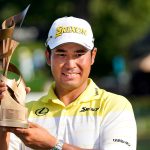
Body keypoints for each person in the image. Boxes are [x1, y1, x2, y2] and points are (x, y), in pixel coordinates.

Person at [0, 16, 137, 150]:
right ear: (48, 57)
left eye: (79, 54)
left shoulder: (115, 106)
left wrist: (54, 145)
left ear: (93, 56)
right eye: (61, 54)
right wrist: (3, 122)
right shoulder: (26, 111)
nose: (70, 64)